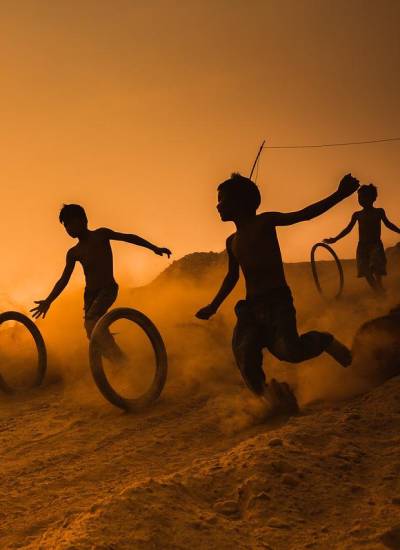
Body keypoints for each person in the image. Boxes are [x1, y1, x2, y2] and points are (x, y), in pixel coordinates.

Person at [196, 172, 359, 414]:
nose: (217, 205)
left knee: (289, 352)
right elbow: (232, 277)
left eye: (222, 199)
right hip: (251, 308)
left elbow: (303, 215)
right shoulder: (231, 241)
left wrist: (339, 194)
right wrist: (213, 305)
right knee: (244, 355)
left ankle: (324, 340)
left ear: (240, 202)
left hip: (277, 303)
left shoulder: (265, 222)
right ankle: (271, 398)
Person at [31, 204, 171, 359]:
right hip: (90, 295)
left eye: (71, 223)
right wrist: (48, 300)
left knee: (93, 322)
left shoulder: (101, 235)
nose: (69, 228)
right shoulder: (73, 252)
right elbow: (64, 279)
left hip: (107, 289)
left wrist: (154, 247)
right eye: (66, 226)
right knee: (91, 331)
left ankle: (119, 360)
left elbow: (129, 237)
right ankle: (116, 361)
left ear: (84, 220)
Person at [324, 184, 400, 294]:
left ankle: (380, 289)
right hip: (362, 247)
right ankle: (378, 291)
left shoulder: (379, 212)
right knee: (365, 270)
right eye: (360, 198)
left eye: (365, 197)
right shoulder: (357, 215)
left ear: (373, 198)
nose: (362, 200)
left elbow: (388, 224)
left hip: (376, 245)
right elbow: (348, 229)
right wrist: (335, 239)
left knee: (377, 268)